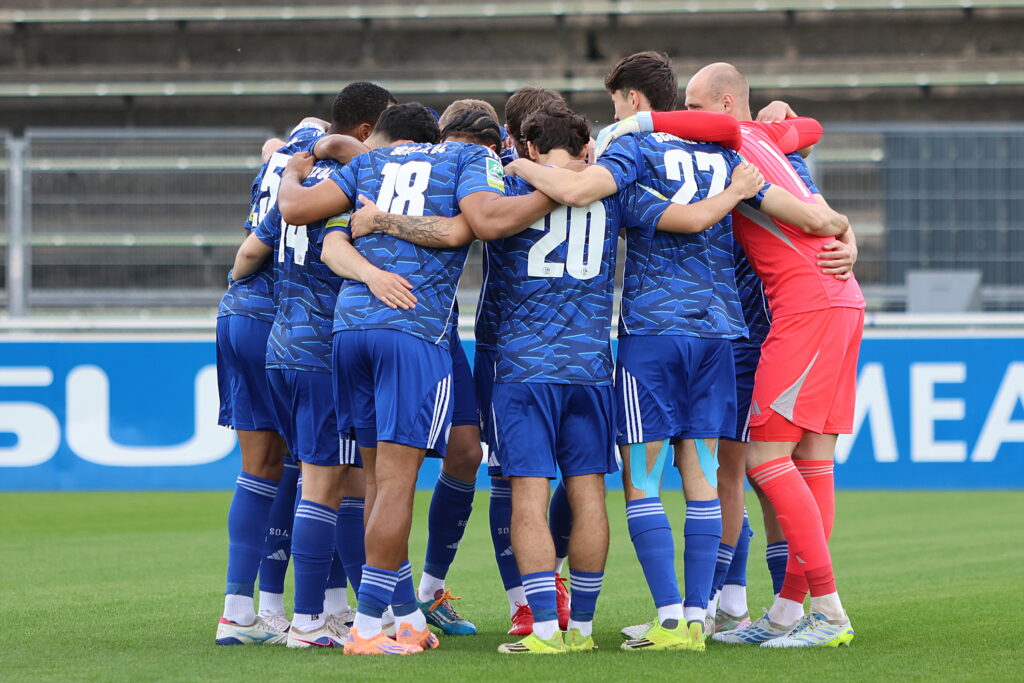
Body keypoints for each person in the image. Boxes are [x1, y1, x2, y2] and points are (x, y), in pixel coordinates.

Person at [506, 51, 843, 652]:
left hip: (654, 339)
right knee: (706, 479)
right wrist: (842, 232)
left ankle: (670, 620)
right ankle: (700, 614)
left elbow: (581, 189)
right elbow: (808, 209)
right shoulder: (727, 153)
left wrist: (519, 163)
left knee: (643, 481)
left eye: (616, 103)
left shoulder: (632, 152)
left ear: (633, 101)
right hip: (718, 337)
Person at [278, 102, 556, 655]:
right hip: (413, 330)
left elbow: (298, 209)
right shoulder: (467, 162)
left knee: (377, 482)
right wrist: (560, 188)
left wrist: (292, 167)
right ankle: (367, 628)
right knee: (397, 485)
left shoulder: (368, 163)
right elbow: (474, 226)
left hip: (349, 331)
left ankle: (400, 617)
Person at [679, 62, 862, 648]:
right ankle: (787, 611)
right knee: (813, 461)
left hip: (807, 306)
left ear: (723, 106)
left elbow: (816, 214)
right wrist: (781, 113)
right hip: (840, 299)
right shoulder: (764, 135)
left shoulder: (737, 151)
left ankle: (829, 612)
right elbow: (808, 128)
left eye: (695, 107)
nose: (688, 119)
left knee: (764, 457)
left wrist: (630, 127)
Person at [213, 81, 392, 647]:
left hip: (246, 316)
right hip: (296, 325)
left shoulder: (286, 162)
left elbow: (249, 249)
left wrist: (235, 283)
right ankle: (310, 611)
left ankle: (251, 609)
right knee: (319, 471)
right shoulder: (342, 178)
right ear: (363, 131)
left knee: (267, 468)